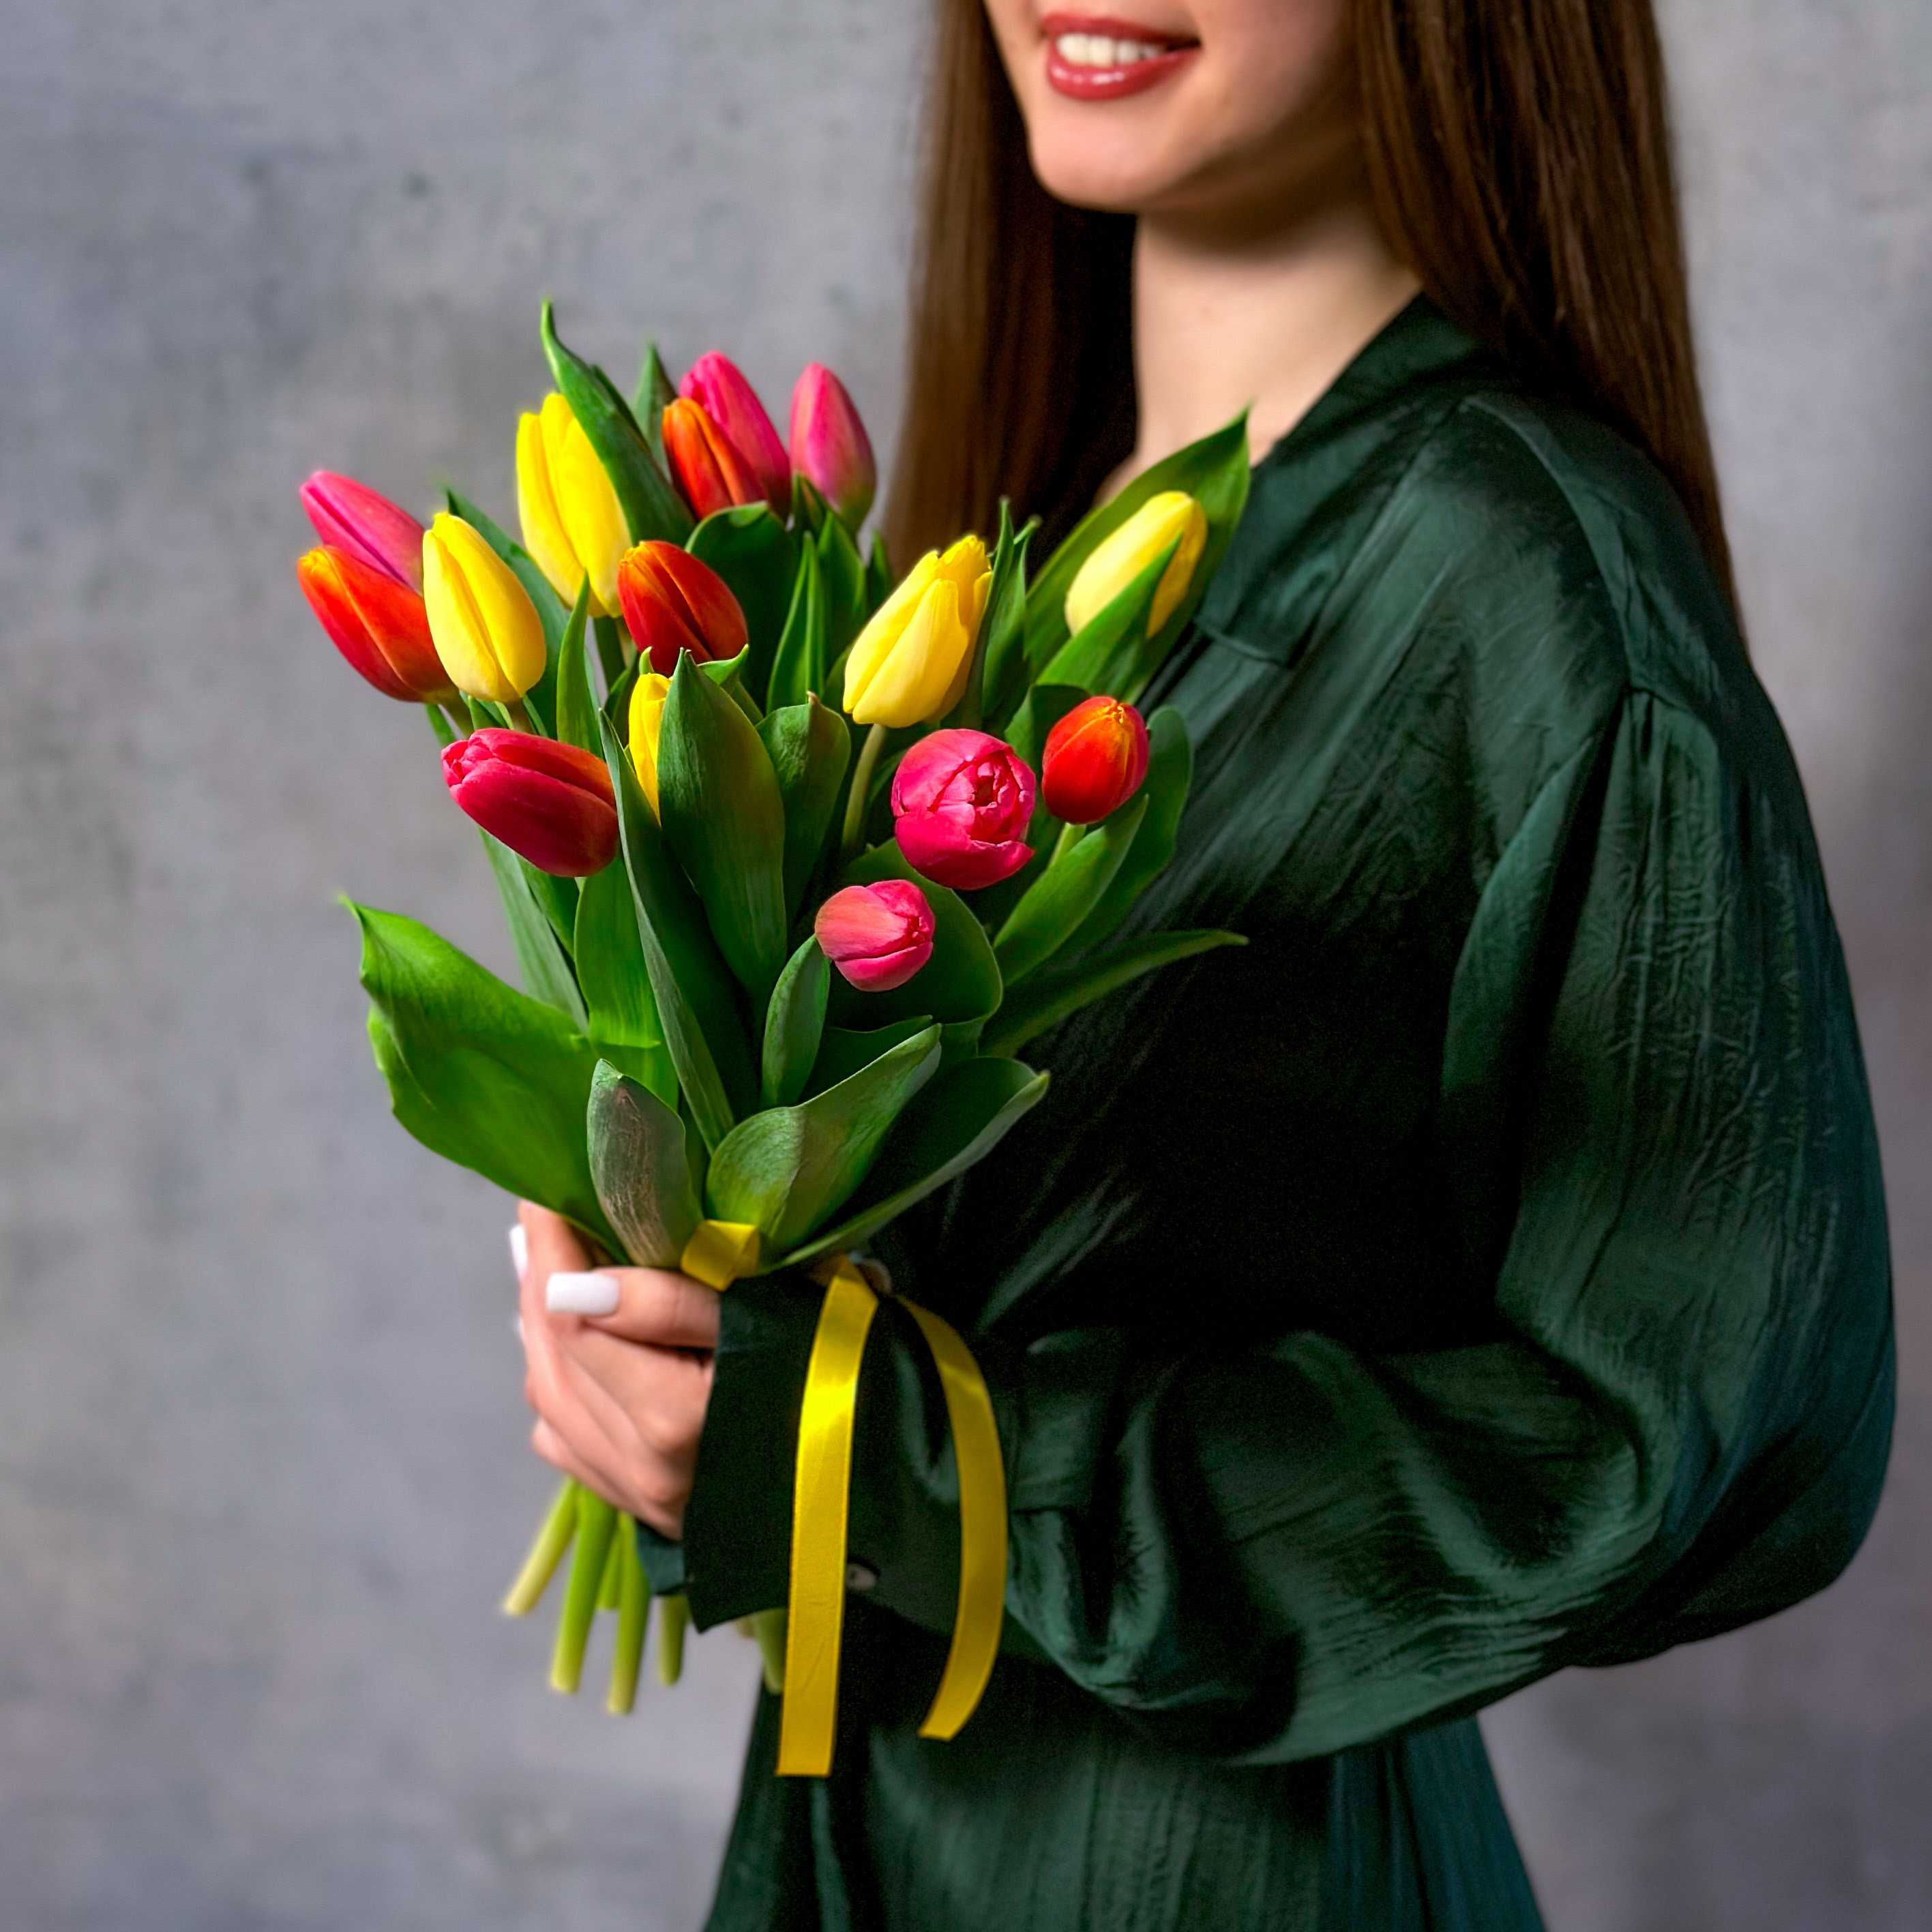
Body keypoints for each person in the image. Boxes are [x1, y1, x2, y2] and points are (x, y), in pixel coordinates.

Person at [512, 1, 1895, 1924]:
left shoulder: (1528, 577)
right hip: (880, 1842)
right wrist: (687, 1346)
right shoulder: (1018, 536)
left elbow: (1688, 1432)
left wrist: (890, 1458)